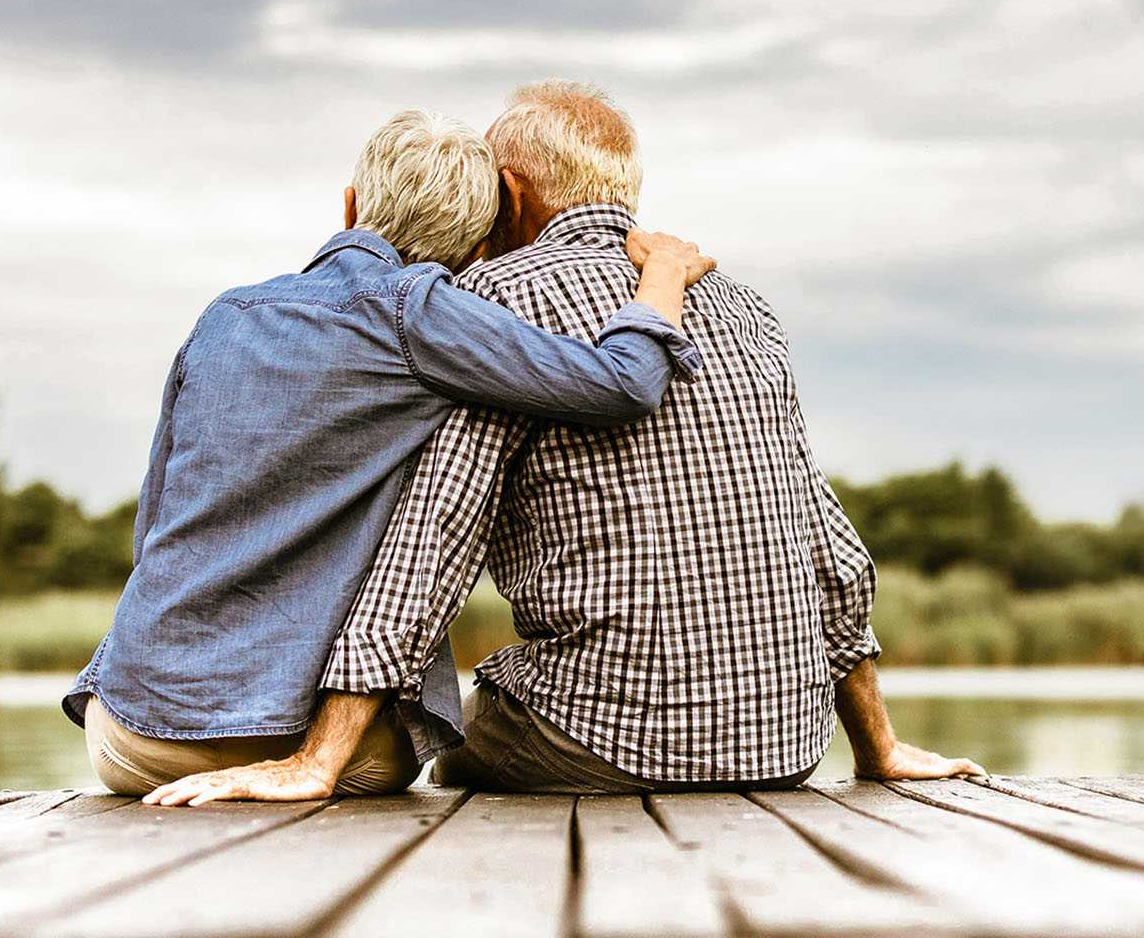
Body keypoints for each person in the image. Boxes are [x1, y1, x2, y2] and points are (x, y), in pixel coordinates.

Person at [145, 82, 982, 806]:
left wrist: (317, 759)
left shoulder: (488, 301)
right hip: (784, 748)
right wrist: (877, 748)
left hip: (598, 739)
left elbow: (433, 539)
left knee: (445, 732)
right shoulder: (741, 306)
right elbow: (828, 542)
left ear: (507, 194)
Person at [62, 107, 714, 797]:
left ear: (349, 206)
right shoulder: (425, 314)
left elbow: (154, 528)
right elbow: (622, 384)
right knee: (425, 752)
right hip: (305, 741)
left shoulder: (225, 315)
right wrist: (663, 277)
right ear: (475, 252)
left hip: (133, 734)